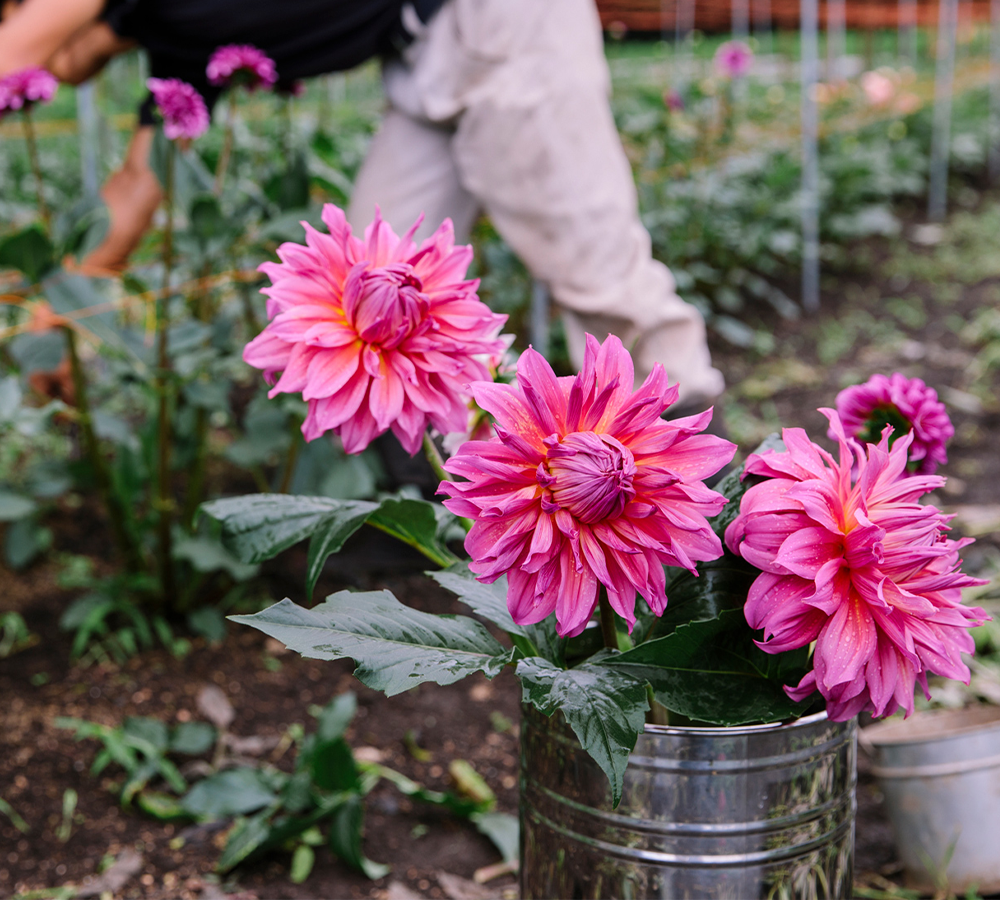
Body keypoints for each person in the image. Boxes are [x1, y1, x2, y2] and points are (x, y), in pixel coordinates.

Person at [0, 0, 724, 406]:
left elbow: (16, 53)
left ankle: (690, 437)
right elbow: (136, 184)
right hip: (418, 54)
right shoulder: (176, 42)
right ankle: (410, 486)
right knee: (369, 286)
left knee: (586, 254)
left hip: (504, 21)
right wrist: (59, 304)